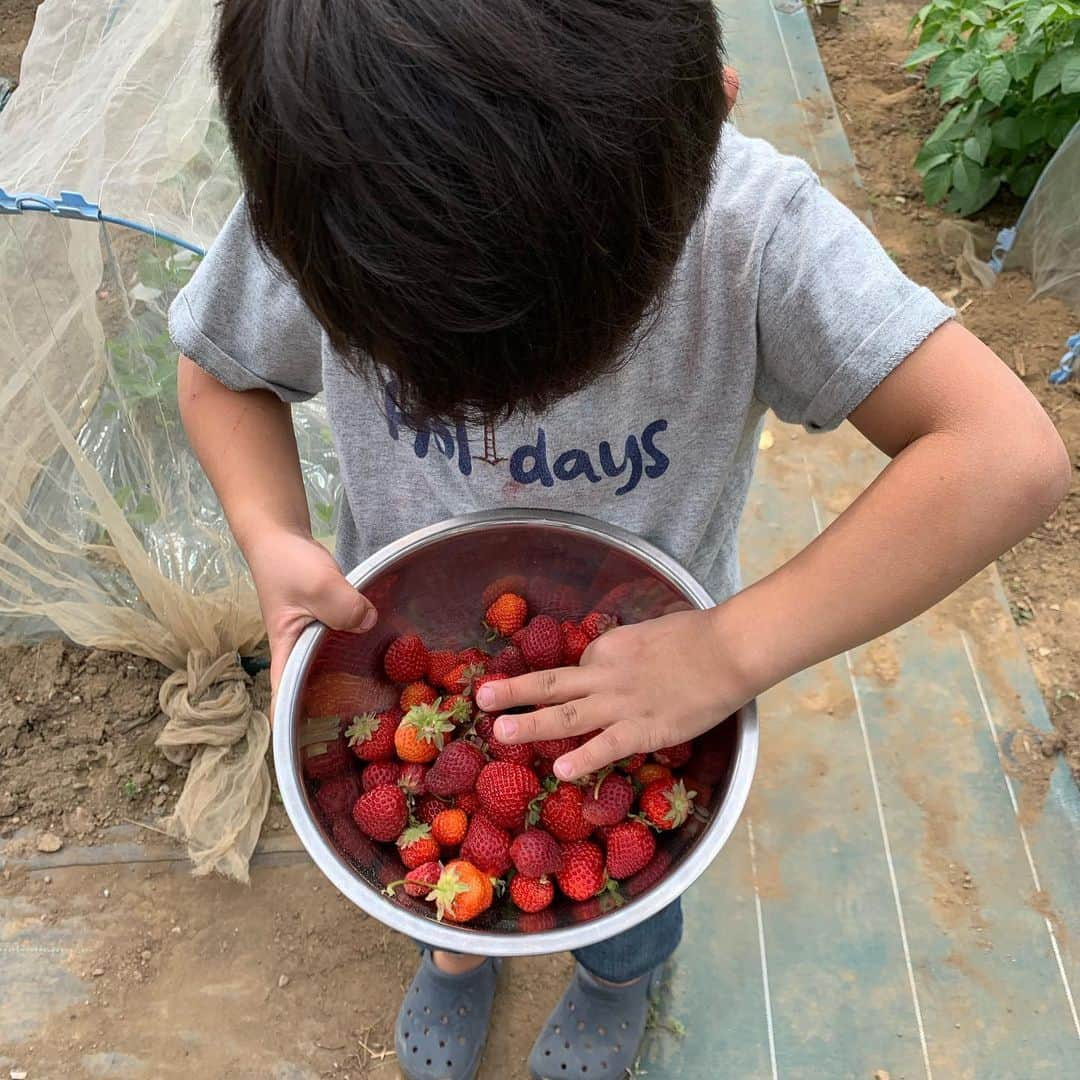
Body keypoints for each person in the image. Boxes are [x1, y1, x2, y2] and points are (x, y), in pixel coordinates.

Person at [172, 3, 1070, 1078]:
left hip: (658, 685)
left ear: (713, 118)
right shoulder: (344, 199)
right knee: (436, 887)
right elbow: (225, 369)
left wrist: (730, 652)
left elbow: (1007, 455)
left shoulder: (754, 234)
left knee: (627, 912)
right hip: (409, 665)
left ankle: (616, 975)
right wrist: (269, 534)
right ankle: (456, 950)